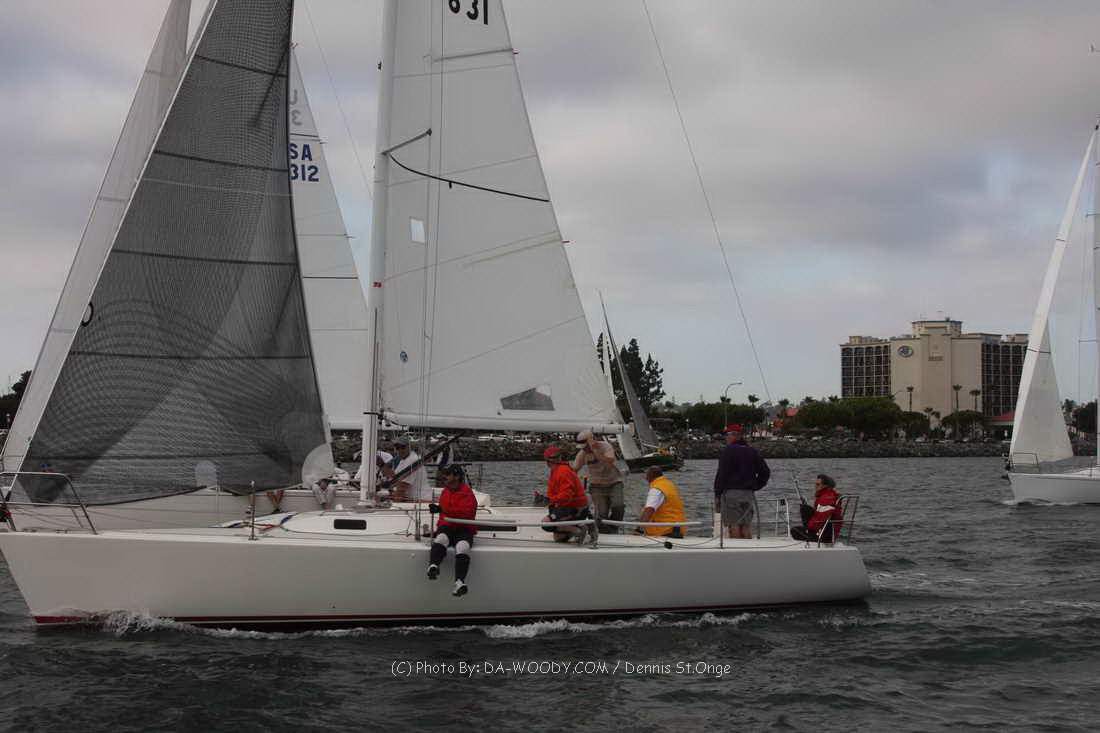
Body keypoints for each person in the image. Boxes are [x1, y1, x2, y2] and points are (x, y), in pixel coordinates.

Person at [426, 466, 478, 597]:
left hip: (464, 528)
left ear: (457, 477)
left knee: (463, 547)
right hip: (447, 526)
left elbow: (467, 513)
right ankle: (433, 565)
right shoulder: (445, 492)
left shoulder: (467, 493)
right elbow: (444, 512)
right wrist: (439, 510)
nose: (445, 478)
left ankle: (459, 582)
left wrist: (442, 510)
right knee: (441, 539)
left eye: (448, 475)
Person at [713, 424, 770, 539]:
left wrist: (717, 494)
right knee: (746, 526)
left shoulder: (728, 451)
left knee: (734, 525)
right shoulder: (752, 451)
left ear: (734, 435)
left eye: (727, 435)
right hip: (748, 494)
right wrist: (756, 486)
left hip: (731, 494)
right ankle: (748, 548)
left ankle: (736, 549)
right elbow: (765, 472)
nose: (726, 438)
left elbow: (722, 474)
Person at [571, 430, 624, 533]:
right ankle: (606, 532)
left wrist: (595, 450)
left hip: (614, 482)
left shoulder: (606, 447)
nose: (584, 449)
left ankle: (614, 529)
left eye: (586, 446)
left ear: (591, 441)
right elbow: (574, 470)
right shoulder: (582, 454)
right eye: (582, 447)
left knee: (618, 506)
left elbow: (609, 461)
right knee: (602, 514)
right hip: (596, 486)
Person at [543, 445, 591, 543]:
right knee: (558, 538)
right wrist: (548, 501)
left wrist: (549, 500)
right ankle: (575, 528)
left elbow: (567, 496)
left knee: (546, 524)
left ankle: (579, 530)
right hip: (568, 506)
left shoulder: (563, 471)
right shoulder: (556, 471)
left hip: (575, 508)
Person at [636, 467, 686, 538]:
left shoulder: (656, 489)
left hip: (664, 530)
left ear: (651, 476)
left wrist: (639, 530)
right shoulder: (669, 485)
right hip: (678, 528)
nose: (646, 478)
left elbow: (649, 510)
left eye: (647, 476)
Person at [792, 474, 843, 543]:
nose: (815, 486)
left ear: (825, 486)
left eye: (818, 484)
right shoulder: (828, 496)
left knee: (794, 531)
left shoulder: (826, 499)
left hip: (825, 535)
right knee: (805, 508)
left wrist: (808, 528)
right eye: (815, 484)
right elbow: (819, 515)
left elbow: (820, 519)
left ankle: (811, 535)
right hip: (824, 530)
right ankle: (809, 532)